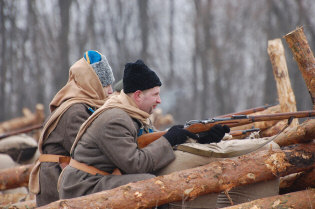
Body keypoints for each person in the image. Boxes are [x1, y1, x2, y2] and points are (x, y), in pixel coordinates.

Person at [58, 60, 229, 200]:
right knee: (148, 183)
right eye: (155, 95)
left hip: (102, 176)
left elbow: (152, 142)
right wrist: (170, 139)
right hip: (84, 185)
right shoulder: (115, 119)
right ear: (138, 95)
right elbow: (136, 164)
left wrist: (199, 138)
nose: (160, 101)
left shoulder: (134, 114)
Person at [28, 50, 115, 206]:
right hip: (56, 183)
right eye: (105, 84)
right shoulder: (75, 111)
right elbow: (89, 153)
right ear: (91, 84)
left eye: (111, 84)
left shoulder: (84, 106)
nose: (110, 90)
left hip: (64, 179)